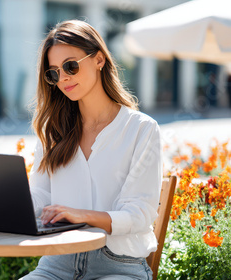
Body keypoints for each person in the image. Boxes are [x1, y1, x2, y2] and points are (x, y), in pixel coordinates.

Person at [22, 20, 161, 279]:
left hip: (119, 265)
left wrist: (82, 215)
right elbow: (40, 194)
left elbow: (139, 213)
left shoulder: (141, 129)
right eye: (53, 73)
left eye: (70, 66)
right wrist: (7, 206)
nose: (63, 78)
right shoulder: (52, 130)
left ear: (99, 59)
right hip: (57, 263)